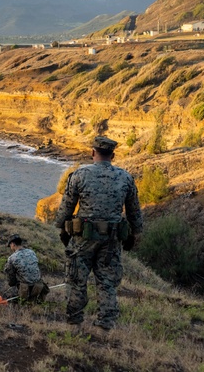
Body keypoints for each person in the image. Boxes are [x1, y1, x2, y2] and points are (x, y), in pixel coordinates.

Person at [54, 135, 143, 330]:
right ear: (113, 155)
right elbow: (134, 212)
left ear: (93, 152)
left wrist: (63, 230)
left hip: (83, 238)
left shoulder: (79, 175)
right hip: (111, 239)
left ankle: (74, 322)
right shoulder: (125, 178)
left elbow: (65, 210)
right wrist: (134, 235)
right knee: (107, 282)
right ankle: (105, 325)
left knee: (77, 279)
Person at [3, 235, 49, 303]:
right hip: (39, 286)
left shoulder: (12, 258)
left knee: (8, 295)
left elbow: (11, 279)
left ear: (13, 244)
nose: (10, 247)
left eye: (10, 245)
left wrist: (13, 284)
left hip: (25, 289)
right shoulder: (32, 252)